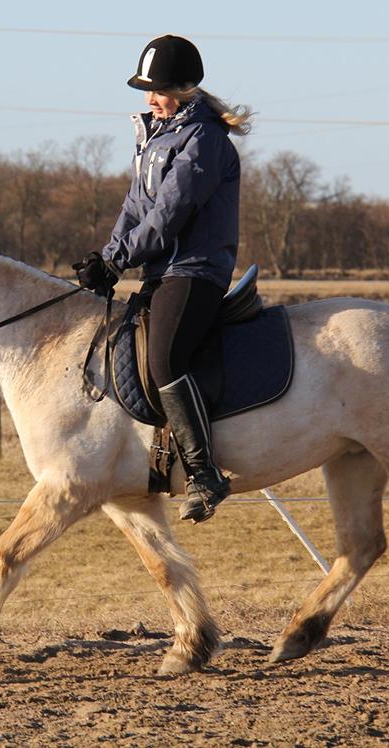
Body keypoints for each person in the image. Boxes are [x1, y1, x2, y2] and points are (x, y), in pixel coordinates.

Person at [73, 34, 253, 523]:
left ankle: (204, 473)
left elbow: (171, 213)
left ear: (185, 89)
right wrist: (106, 257)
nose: (149, 99)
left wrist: (122, 259)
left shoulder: (205, 140)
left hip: (195, 270)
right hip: (161, 269)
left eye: (157, 90)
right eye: (146, 91)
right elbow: (136, 207)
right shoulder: (156, 135)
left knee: (165, 356)